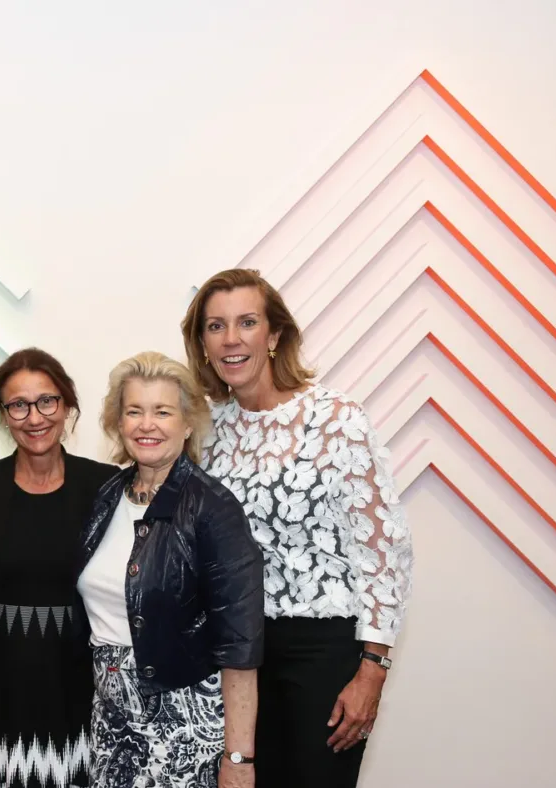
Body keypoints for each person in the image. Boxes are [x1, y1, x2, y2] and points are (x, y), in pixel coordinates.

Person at [180, 268, 415, 788]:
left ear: (275, 335)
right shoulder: (205, 429)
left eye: (246, 322)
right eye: (215, 326)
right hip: (237, 658)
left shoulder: (336, 418)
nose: (231, 339)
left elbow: (384, 552)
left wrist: (372, 670)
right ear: (203, 343)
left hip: (323, 651)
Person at [77, 351, 264, 788]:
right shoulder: (107, 496)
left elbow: (240, 645)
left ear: (186, 422)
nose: (147, 425)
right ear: (118, 423)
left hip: (187, 725)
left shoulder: (213, 508)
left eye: (162, 411)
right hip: (111, 718)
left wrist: (238, 760)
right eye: (134, 411)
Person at [0, 348, 117, 788]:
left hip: (83, 694)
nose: (34, 417)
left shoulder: (105, 485)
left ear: (66, 406)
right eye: (18, 405)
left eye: (47, 401)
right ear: (4, 415)